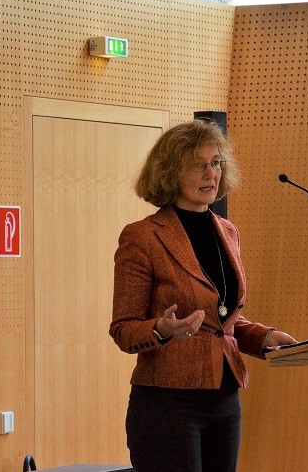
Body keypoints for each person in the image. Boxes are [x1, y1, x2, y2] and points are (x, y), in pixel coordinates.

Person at [109, 119, 297, 472]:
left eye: (216, 163)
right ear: (170, 173)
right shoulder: (143, 237)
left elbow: (221, 319)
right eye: (198, 164)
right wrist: (163, 329)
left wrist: (263, 337)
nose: (211, 173)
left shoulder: (228, 231)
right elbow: (123, 329)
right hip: (167, 403)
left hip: (225, 400)